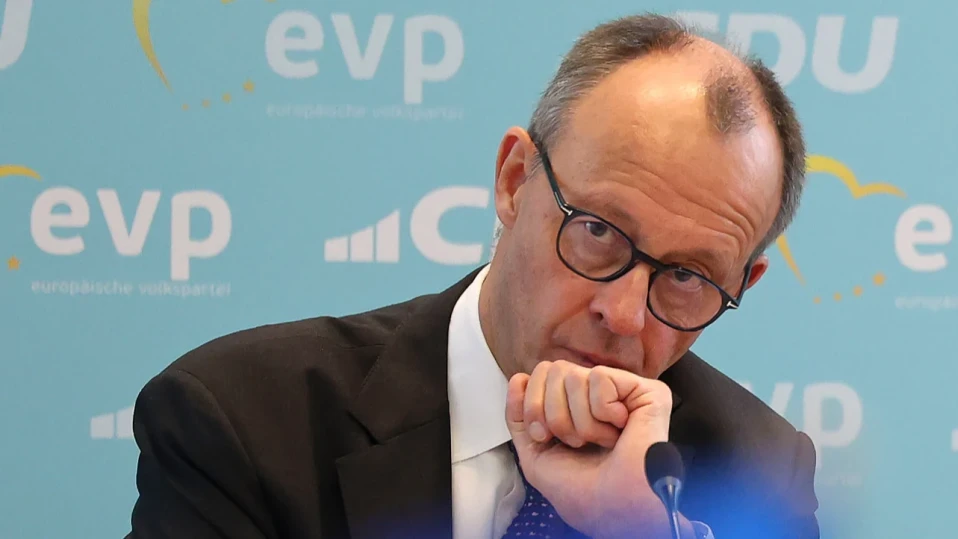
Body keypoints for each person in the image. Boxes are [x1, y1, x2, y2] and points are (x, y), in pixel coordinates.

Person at [125, 12, 819, 539]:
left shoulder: (759, 472)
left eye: (688, 277)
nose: (624, 313)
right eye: (599, 232)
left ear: (742, 286)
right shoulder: (245, 424)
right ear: (515, 181)